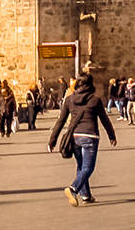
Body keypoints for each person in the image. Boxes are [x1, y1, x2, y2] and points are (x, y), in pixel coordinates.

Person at [45, 72, 113, 205]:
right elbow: (104, 119)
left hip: (75, 136)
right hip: (90, 136)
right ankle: (73, 189)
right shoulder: (95, 100)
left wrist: (52, 141)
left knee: (81, 166)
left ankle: (85, 195)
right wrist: (111, 135)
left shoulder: (69, 100)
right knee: (88, 167)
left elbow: (61, 121)